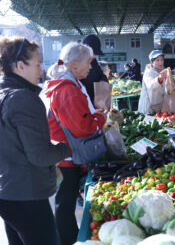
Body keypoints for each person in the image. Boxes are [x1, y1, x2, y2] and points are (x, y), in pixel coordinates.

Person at [0, 36, 69, 245]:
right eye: (38, 64)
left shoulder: (4, 93)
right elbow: (40, 156)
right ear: (20, 65)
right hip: (27, 195)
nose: (41, 71)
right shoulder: (23, 98)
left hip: (8, 192)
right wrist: (66, 148)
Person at [45, 42, 106, 245]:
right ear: (73, 64)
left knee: (66, 203)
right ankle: (67, 240)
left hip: (67, 153)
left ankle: (68, 237)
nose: (90, 67)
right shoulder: (67, 89)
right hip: (66, 157)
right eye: (88, 62)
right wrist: (100, 119)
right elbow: (82, 127)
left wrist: (91, 115)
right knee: (65, 205)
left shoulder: (71, 85)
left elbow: (76, 117)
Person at [81, 34, 108, 105]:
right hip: (86, 103)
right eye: (93, 53)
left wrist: (102, 81)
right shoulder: (79, 64)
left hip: (98, 102)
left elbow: (101, 75)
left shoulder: (94, 62)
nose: (95, 56)